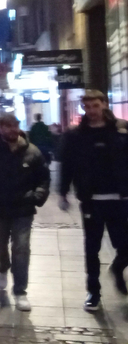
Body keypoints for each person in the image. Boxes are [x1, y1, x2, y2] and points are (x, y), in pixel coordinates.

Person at [0, 113, 50, 312]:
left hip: (23, 209)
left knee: (22, 248)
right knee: (1, 244)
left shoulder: (32, 152)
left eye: (15, 125)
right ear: (0, 128)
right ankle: (3, 267)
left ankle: (20, 291)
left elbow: (43, 177)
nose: (12, 129)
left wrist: (38, 196)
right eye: (7, 126)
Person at [58, 89, 128, 312]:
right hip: (91, 200)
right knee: (92, 248)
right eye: (87, 107)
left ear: (104, 105)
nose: (91, 111)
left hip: (119, 198)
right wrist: (62, 192)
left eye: (95, 106)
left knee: (125, 245)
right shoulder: (75, 135)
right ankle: (93, 292)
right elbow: (66, 165)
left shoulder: (122, 130)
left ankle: (117, 268)